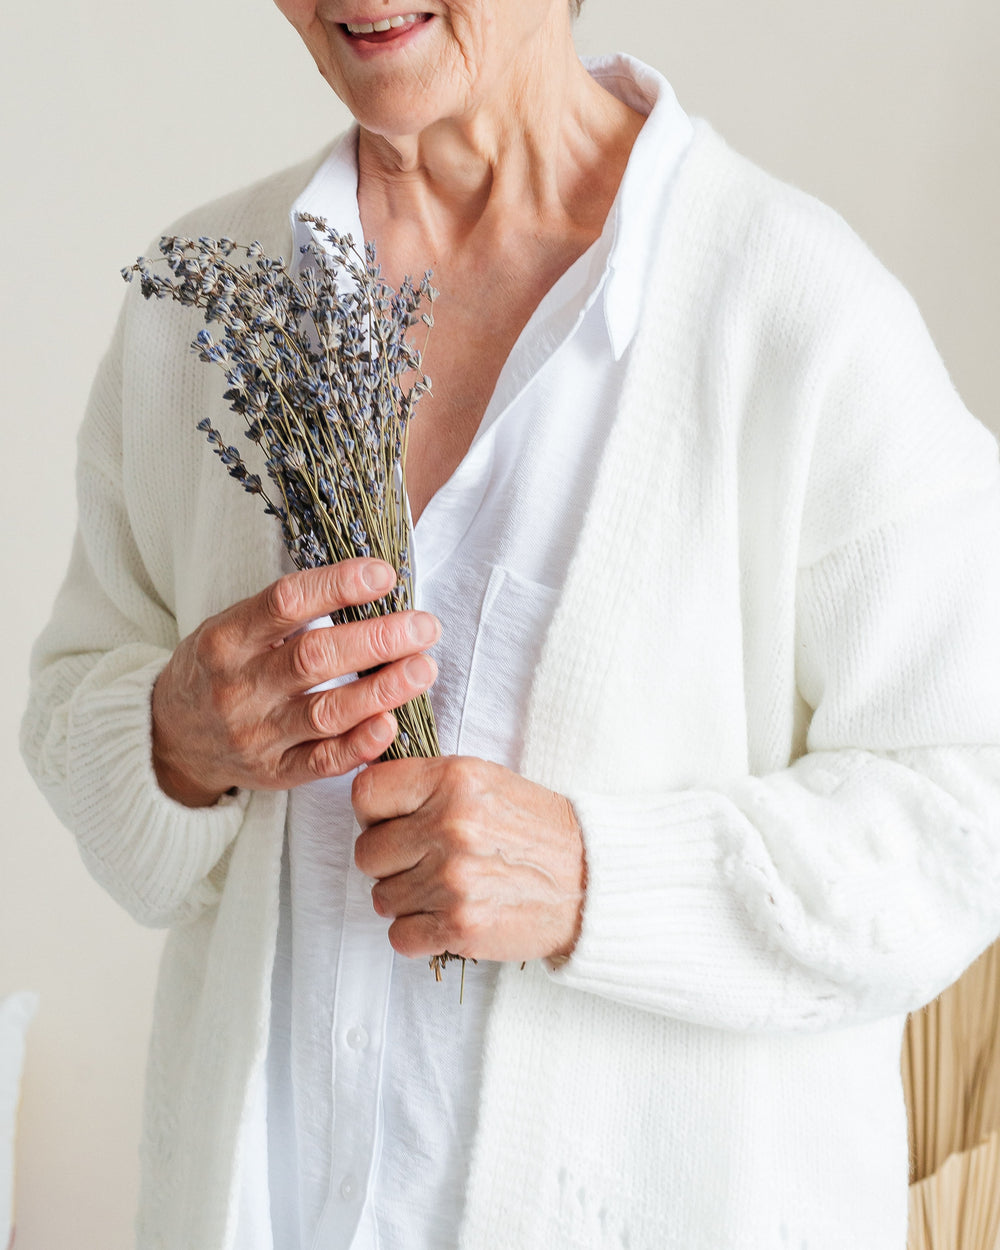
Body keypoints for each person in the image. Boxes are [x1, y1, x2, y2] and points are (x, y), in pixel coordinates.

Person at [20, 1, 1000, 1247]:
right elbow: (73, 706)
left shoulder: (795, 310)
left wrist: (597, 878)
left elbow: (968, 808)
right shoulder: (203, 304)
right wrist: (177, 738)